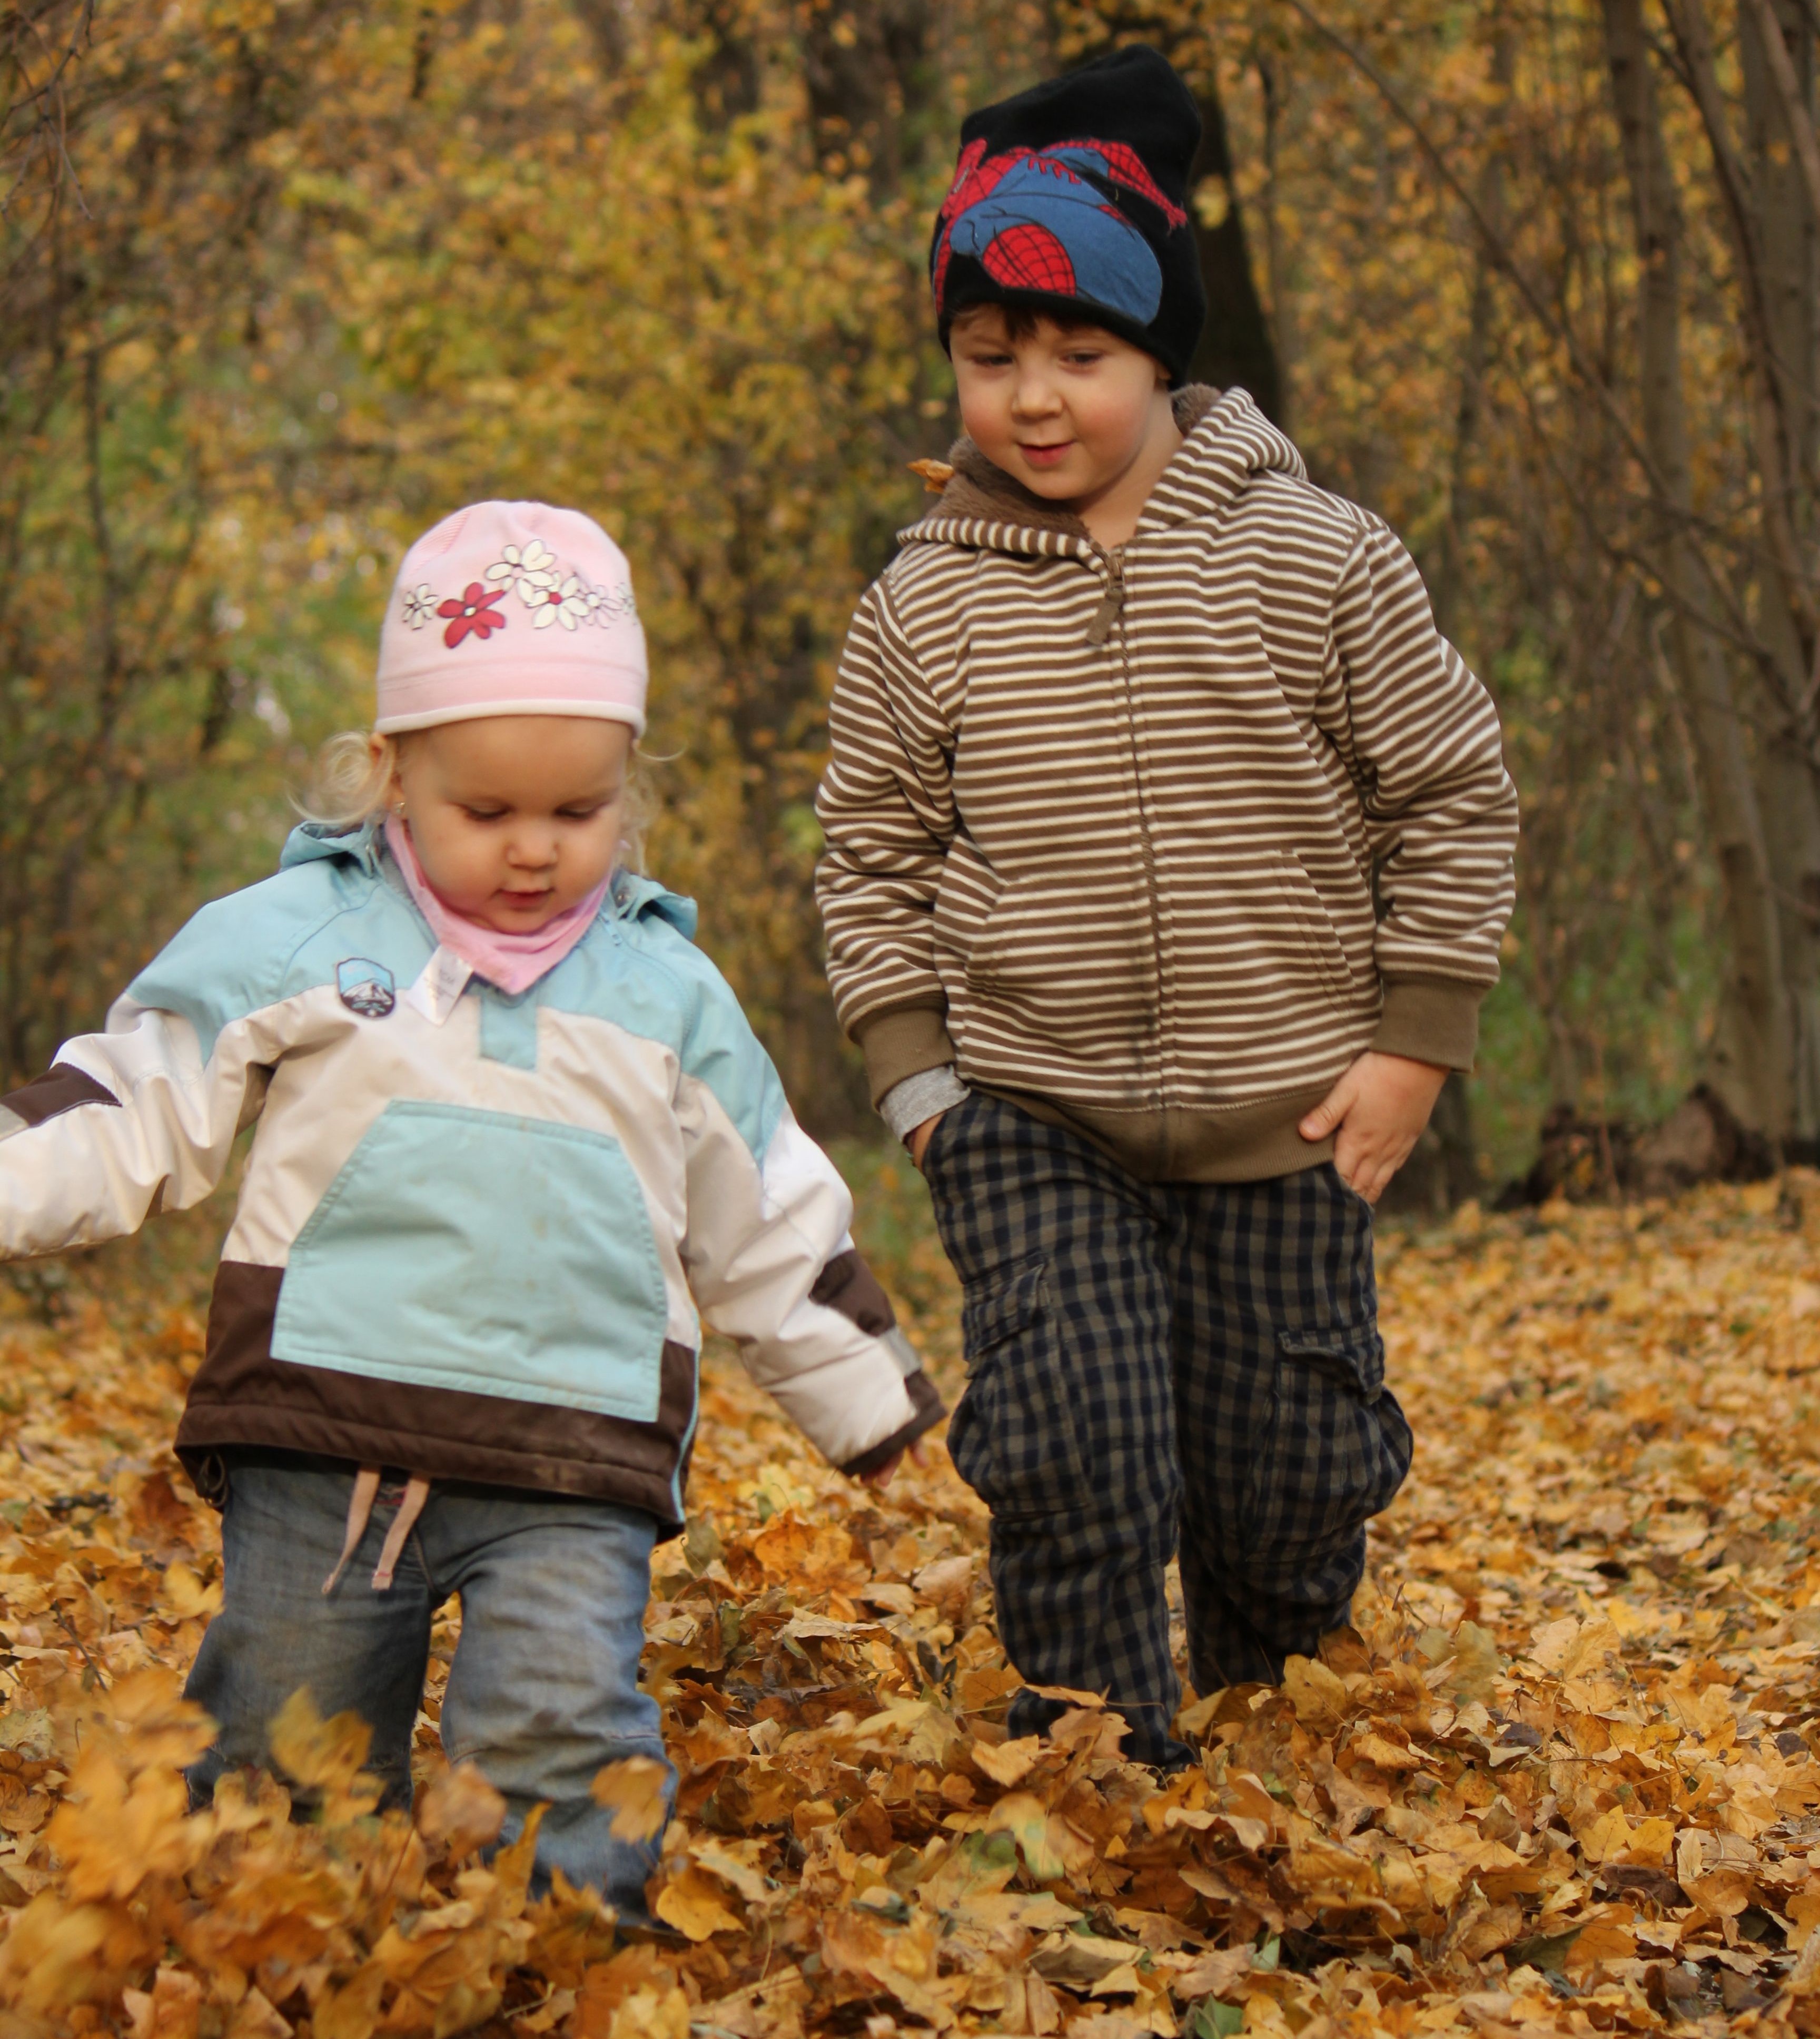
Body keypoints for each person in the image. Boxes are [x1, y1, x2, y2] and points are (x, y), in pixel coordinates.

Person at [0, 499, 943, 1913]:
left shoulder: (665, 993)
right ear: (390, 774)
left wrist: (866, 1404)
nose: (532, 848)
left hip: (577, 1454)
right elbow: (138, 1099)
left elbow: (767, 1214)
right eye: (485, 810)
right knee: (282, 1753)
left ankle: (564, 1962)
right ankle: (279, 1950)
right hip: (324, 1428)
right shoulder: (302, 936)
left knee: (559, 1734)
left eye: (578, 810)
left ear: (629, 783)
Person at [816, 47, 1518, 1767]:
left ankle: (1278, 1731)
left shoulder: (1314, 556)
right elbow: (873, 853)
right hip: (1030, 1109)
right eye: (991, 360)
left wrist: (1415, 1047)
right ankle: (1096, 1758)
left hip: (1290, 1103)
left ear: (1161, 357)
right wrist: (923, 1086)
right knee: (1076, 1434)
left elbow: (1451, 790)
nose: (1033, 398)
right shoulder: (924, 607)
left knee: (1286, 1466)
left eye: (1080, 355)